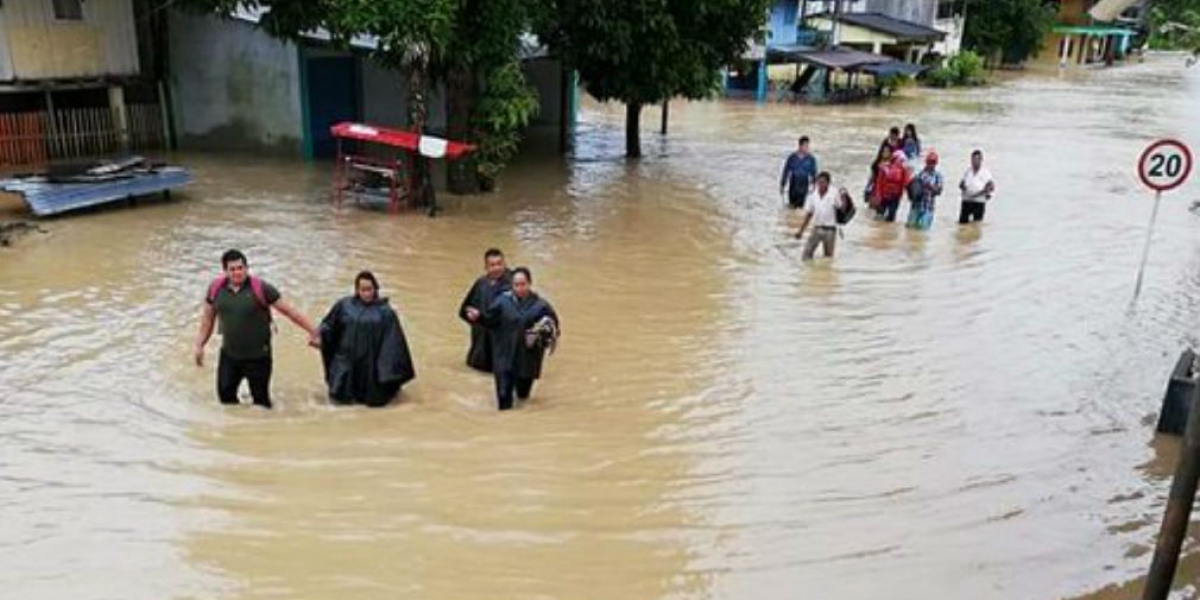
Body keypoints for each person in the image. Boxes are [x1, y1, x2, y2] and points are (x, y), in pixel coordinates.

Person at [193, 249, 318, 409]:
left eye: (240, 268)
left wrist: (314, 331)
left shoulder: (261, 288)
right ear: (225, 271)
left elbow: (290, 312)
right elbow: (207, 320)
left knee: (261, 405)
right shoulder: (215, 289)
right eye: (232, 269)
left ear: (246, 268)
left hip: (258, 358)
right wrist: (199, 345)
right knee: (225, 400)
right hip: (229, 357)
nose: (237, 272)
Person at [317, 271, 415, 408]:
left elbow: (393, 344)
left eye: (369, 289)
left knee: (372, 402)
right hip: (347, 361)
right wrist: (319, 335)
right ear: (357, 290)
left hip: (371, 365)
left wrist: (388, 372)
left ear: (375, 289)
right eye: (363, 290)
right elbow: (329, 325)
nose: (367, 293)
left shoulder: (386, 312)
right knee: (341, 400)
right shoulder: (344, 305)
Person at [481, 267, 560, 411]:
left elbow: (554, 331)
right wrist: (477, 317)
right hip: (504, 358)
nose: (520, 288)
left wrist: (540, 335)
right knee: (504, 398)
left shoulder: (541, 306)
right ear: (512, 285)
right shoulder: (501, 302)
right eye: (516, 285)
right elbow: (488, 322)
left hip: (527, 360)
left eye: (523, 284)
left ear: (530, 284)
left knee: (523, 396)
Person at [459, 248, 513, 372]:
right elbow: (464, 309)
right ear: (486, 267)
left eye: (499, 264)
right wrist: (470, 314)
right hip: (480, 345)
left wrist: (481, 317)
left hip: (501, 345)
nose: (496, 268)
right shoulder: (481, 283)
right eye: (492, 265)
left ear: (505, 264)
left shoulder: (512, 285)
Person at [795, 172, 848, 260]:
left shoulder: (834, 193)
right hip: (816, 228)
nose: (820, 185)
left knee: (828, 258)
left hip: (830, 230)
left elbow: (841, 209)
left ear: (828, 183)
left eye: (823, 182)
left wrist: (844, 198)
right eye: (818, 182)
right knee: (806, 255)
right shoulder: (812, 195)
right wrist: (801, 231)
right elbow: (809, 214)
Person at [779, 136, 819, 209]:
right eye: (805, 146)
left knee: (801, 207)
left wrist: (814, 185)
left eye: (808, 146)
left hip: (804, 184)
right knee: (792, 206)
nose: (807, 148)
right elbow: (786, 171)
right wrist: (782, 185)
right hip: (793, 184)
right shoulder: (792, 157)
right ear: (800, 146)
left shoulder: (811, 159)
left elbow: (814, 173)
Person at [907, 152, 943, 230]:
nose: (931, 164)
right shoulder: (919, 174)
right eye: (930, 162)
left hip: (928, 208)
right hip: (916, 206)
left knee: (922, 231)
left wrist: (929, 186)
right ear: (926, 162)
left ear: (936, 163)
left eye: (933, 162)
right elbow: (910, 187)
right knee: (910, 229)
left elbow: (939, 191)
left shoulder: (938, 176)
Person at [958, 149, 996, 224]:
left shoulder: (985, 172)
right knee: (962, 223)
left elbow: (992, 185)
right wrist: (963, 187)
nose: (974, 161)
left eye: (976, 159)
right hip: (967, 200)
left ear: (981, 160)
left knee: (977, 224)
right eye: (972, 159)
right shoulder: (968, 171)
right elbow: (961, 183)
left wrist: (986, 192)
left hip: (979, 201)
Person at [872, 150, 908, 222]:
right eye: (900, 160)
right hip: (883, 196)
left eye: (902, 160)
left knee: (891, 218)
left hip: (895, 197)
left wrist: (902, 194)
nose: (901, 162)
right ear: (894, 159)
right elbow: (879, 182)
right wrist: (878, 195)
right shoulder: (884, 168)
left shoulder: (903, 170)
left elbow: (904, 183)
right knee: (879, 217)